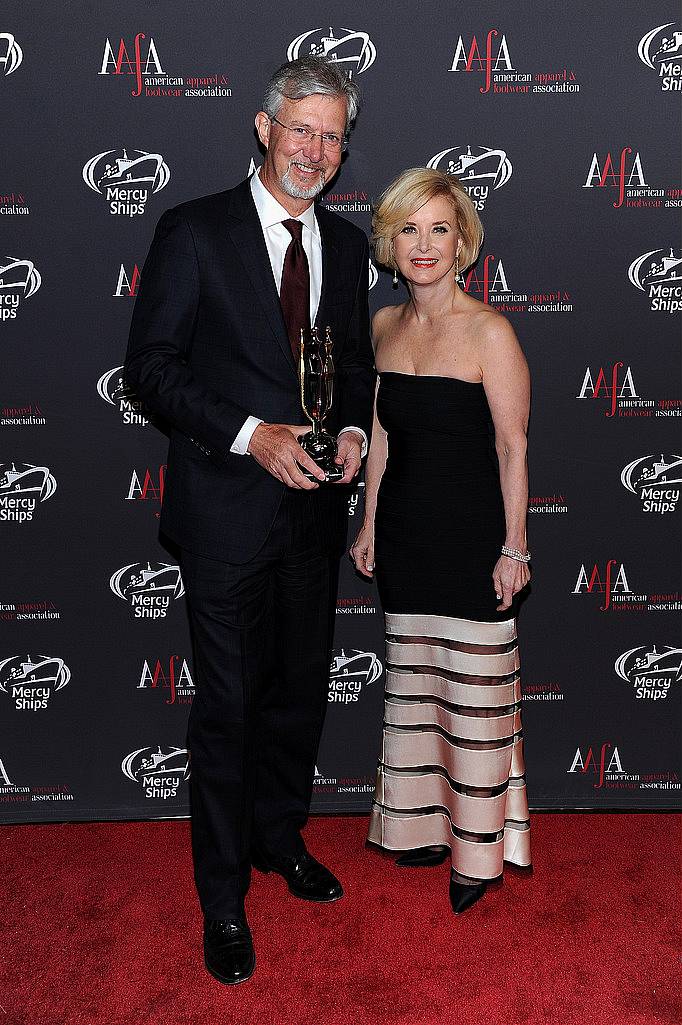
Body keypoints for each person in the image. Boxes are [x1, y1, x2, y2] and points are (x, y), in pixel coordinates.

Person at [125, 56, 375, 984]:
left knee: (297, 696)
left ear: (344, 149)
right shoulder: (194, 230)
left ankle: (279, 839)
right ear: (263, 128)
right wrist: (248, 435)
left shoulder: (347, 248)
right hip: (227, 515)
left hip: (314, 516)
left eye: (332, 136)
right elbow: (149, 367)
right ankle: (223, 899)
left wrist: (350, 427)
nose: (313, 150)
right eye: (300, 129)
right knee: (228, 710)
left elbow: (351, 365)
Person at [351, 167, 531, 915]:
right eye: (409, 229)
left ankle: (480, 853)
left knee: (478, 699)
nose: (423, 245)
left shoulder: (492, 331)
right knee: (416, 690)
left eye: (439, 229)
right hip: (404, 540)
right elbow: (384, 435)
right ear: (391, 243)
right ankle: (421, 825)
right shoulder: (383, 328)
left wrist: (514, 547)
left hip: (470, 542)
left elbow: (514, 446)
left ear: (464, 243)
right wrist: (366, 523)